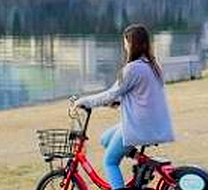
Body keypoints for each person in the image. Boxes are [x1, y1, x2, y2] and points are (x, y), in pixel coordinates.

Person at [74, 25, 175, 189]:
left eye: (126, 42)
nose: (125, 46)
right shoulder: (153, 65)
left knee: (110, 162)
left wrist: (83, 101)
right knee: (105, 139)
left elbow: (111, 93)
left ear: (131, 44)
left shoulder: (132, 69)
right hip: (154, 124)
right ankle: (143, 164)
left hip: (139, 126)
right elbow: (141, 94)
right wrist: (119, 102)